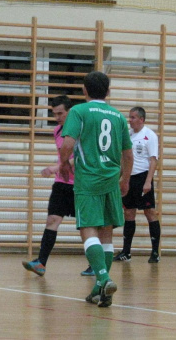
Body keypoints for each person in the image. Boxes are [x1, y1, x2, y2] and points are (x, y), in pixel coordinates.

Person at [60, 71, 133, 307]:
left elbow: (68, 143)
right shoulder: (118, 116)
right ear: (108, 91)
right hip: (111, 180)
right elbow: (128, 155)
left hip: (88, 180)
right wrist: (126, 180)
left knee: (88, 230)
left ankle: (103, 277)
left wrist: (62, 164)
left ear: (84, 90)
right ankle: (100, 291)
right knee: (107, 234)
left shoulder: (79, 112)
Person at [22, 96, 76, 276]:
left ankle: (95, 264)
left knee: (88, 226)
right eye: (55, 114)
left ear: (70, 111)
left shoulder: (81, 131)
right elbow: (63, 157)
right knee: (52, 220)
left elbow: (82, 158)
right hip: (62, 183)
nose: (58, 117)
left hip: (81, 185)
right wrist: (59, 168)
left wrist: (54, 167)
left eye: (61, 113)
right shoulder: (57, 131)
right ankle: (41, 263)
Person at [115, 106, 161, 263]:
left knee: (149, 212)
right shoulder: (127, 135)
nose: (130, 120)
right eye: (130, 117)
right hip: (129, 178)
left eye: (133, 117)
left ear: (142, 119)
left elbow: (153, 160)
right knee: (128, 213)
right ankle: (126, 252)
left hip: (142, 177)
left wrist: (148, 181)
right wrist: (120, 177)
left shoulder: (150, 136)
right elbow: (124, 158)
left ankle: (155, 252)